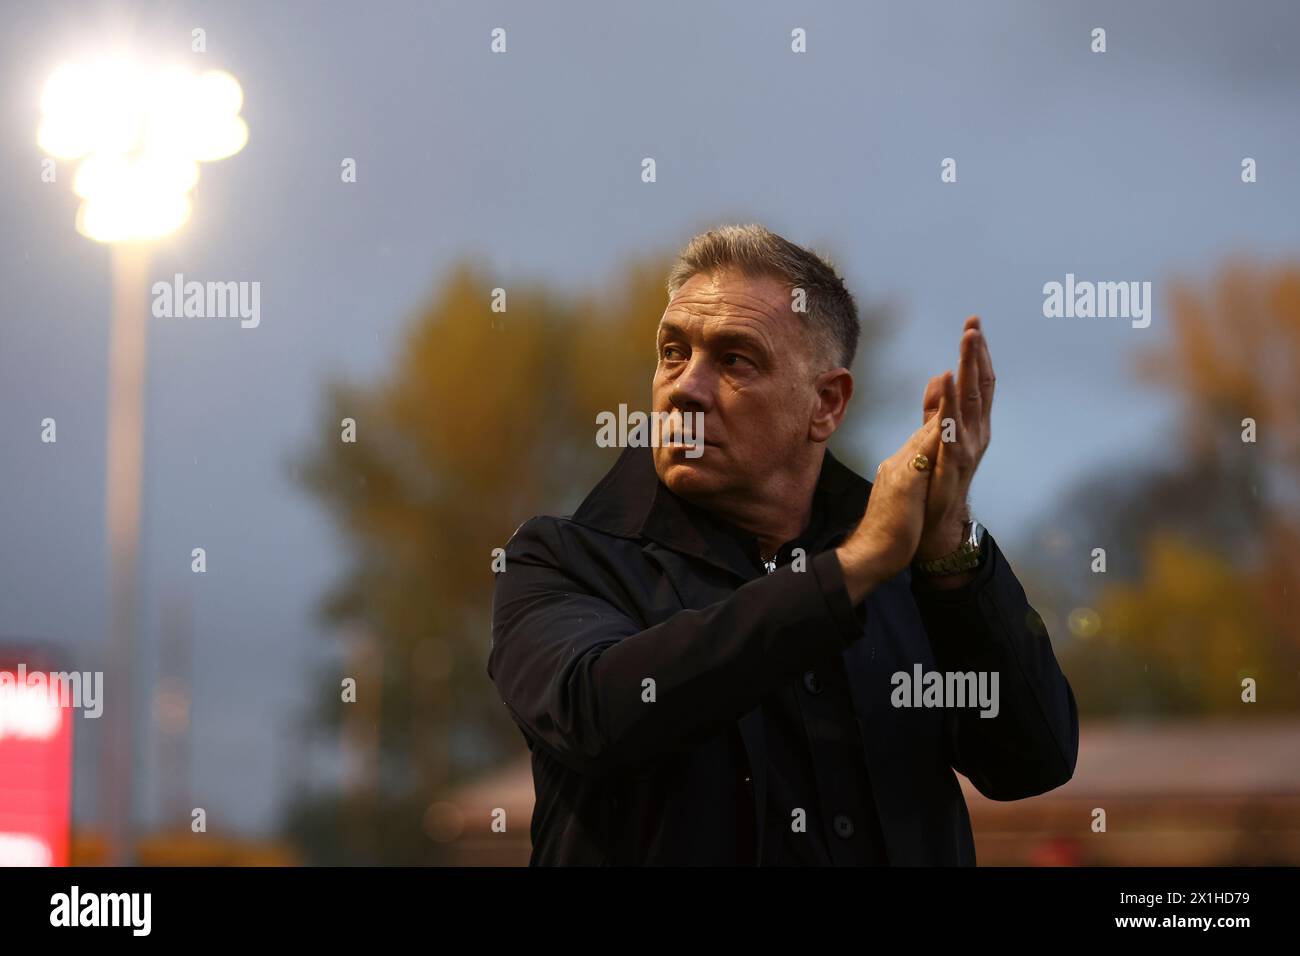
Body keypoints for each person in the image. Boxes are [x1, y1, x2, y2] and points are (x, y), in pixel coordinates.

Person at [488, 224, 1078, 865]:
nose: (686, 386)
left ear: (826, 403)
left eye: (734, 359)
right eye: (673, 352)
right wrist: (851, 572)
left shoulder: (913, 565)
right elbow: (595, 713)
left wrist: (949, 552)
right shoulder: (562, 559)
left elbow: (1033, 761)